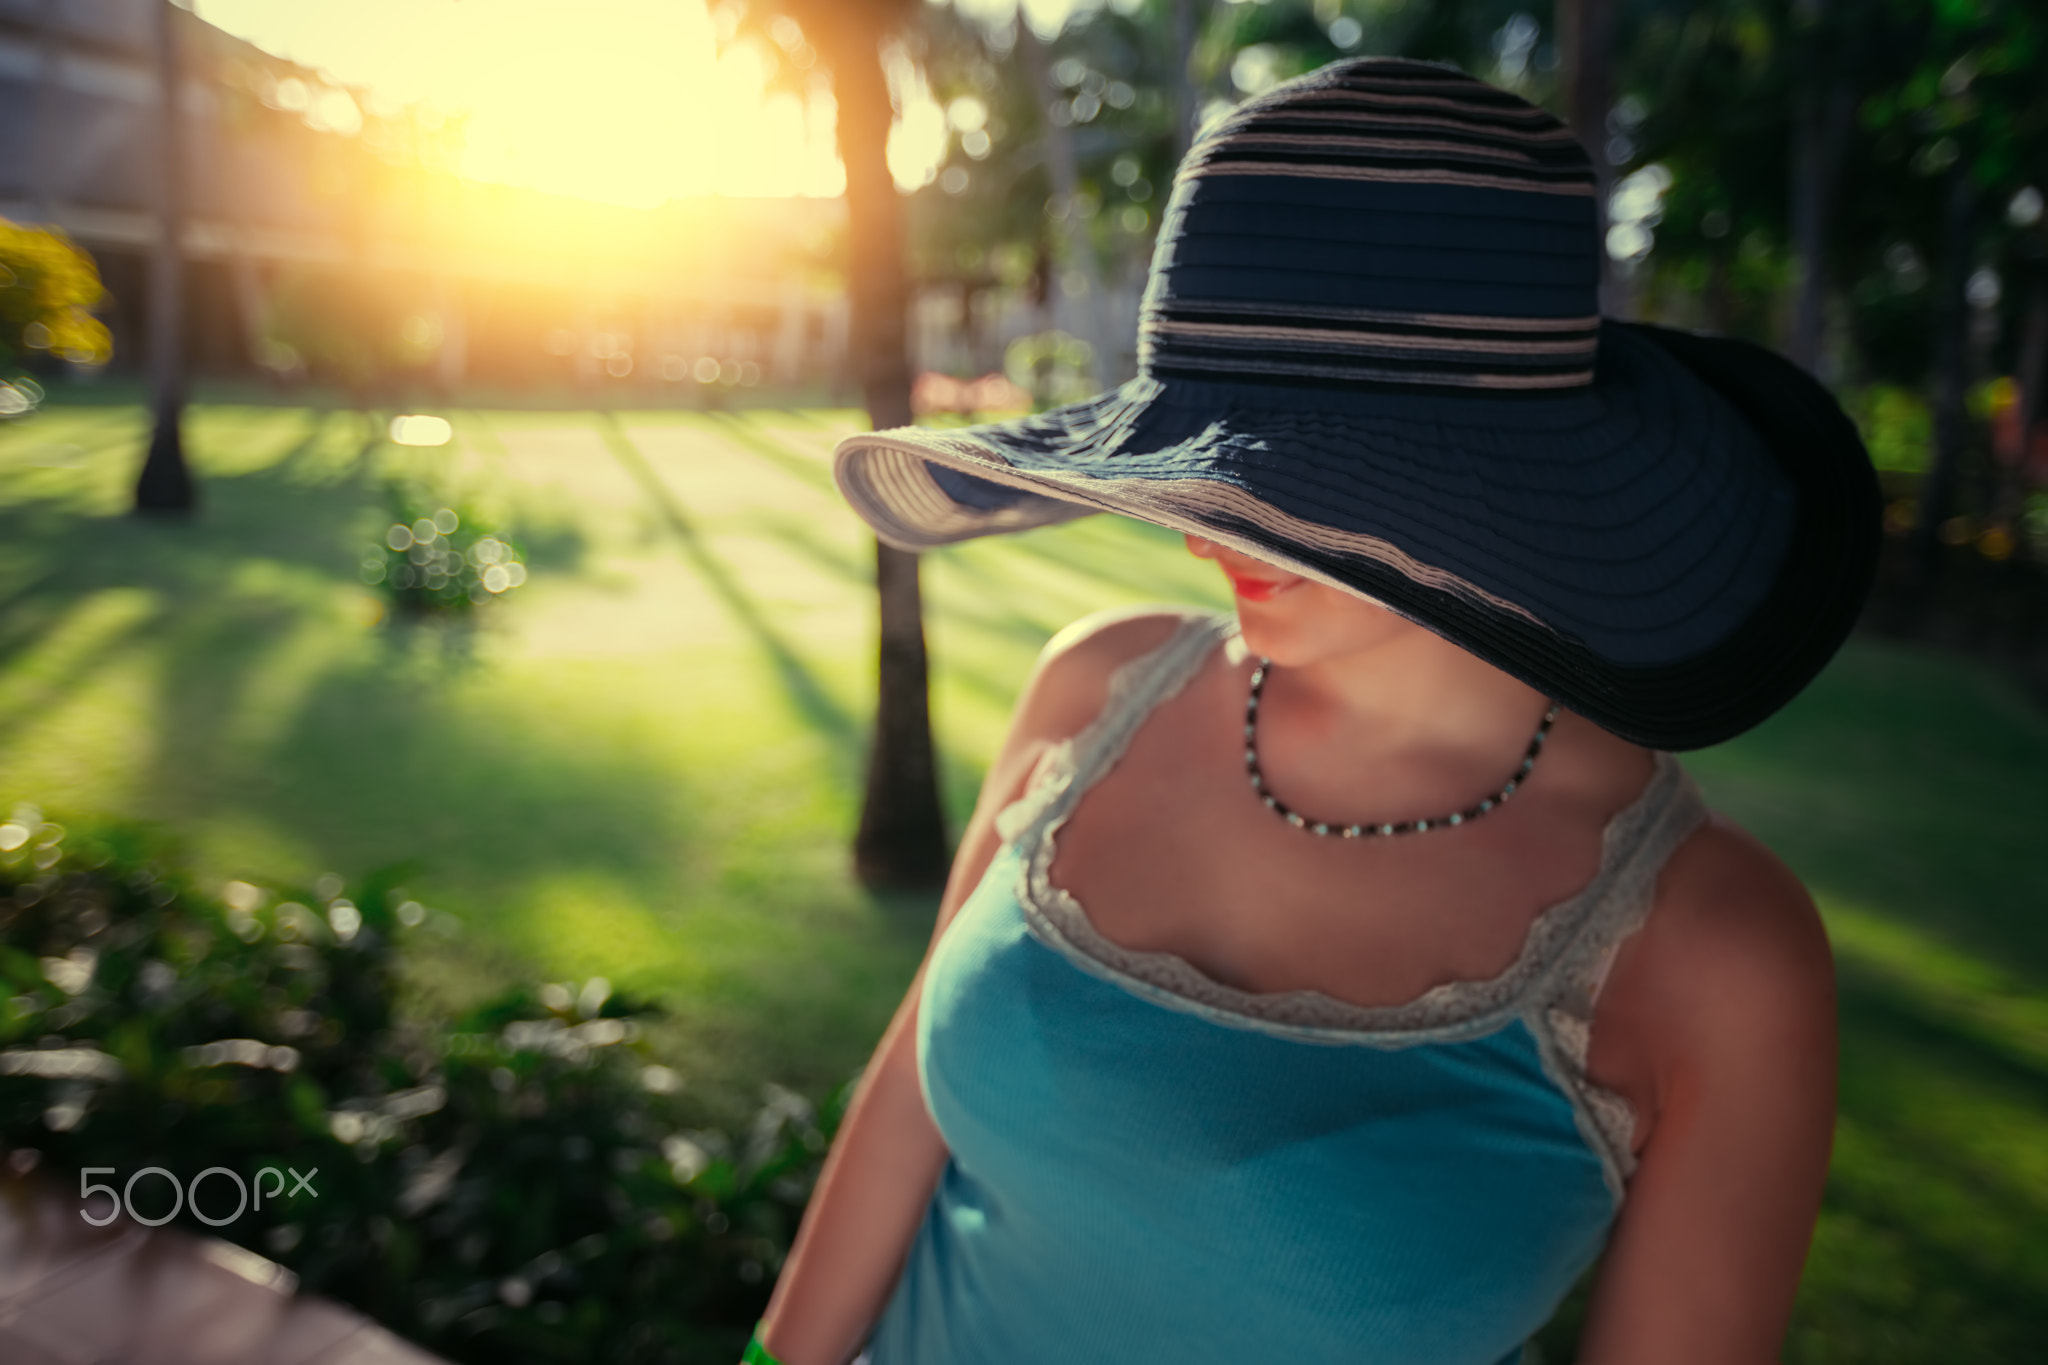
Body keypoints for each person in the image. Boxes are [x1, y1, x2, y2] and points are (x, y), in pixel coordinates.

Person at [748, 57, 1880, 1365]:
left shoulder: (1716, 951)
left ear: (1517, 480)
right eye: (1211, 468)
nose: (1211, 541)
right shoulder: (1096, 686)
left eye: (1303, 482)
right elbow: (907, 1102)